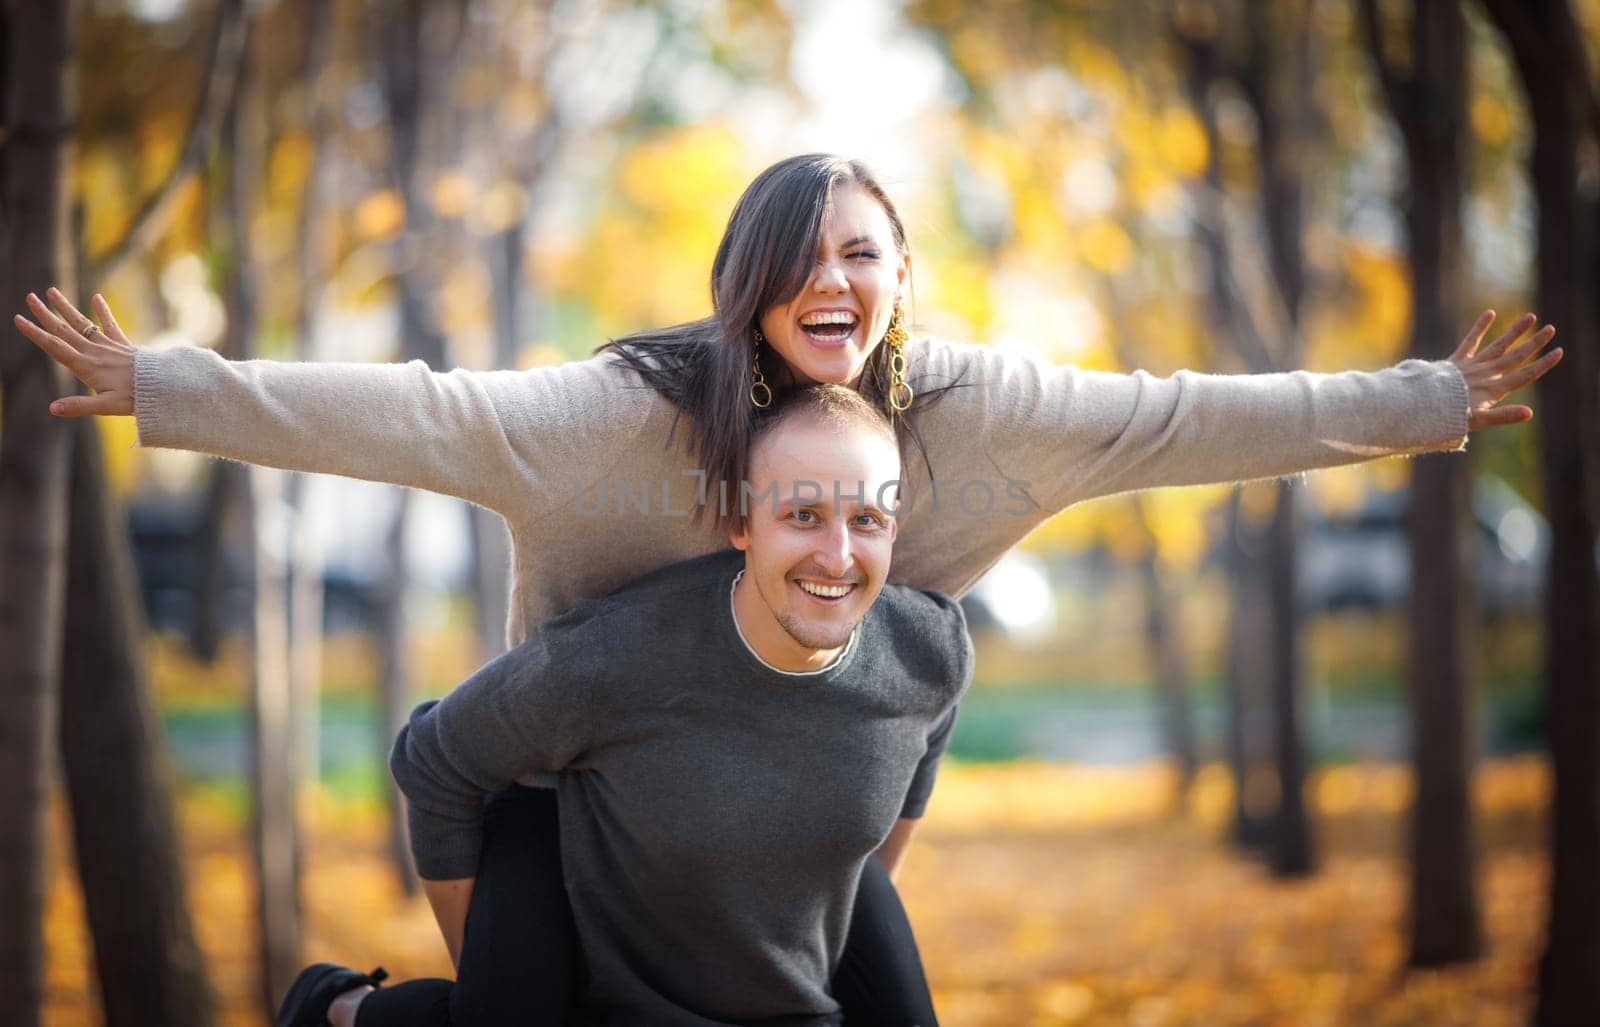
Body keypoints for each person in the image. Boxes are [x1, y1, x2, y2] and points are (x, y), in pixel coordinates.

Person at [13, 153, 1561, 1013]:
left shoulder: (984, 418)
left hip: (800, 785)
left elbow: (1190, 415)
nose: (836, 283)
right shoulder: (618, 417)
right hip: (578, 782)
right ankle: (335, 1012)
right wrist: (171, 384)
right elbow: (425, 411)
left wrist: (1427, 402)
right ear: (745, 280)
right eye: (802, 257)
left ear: (904, 277)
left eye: (867, 254)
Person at [277, 384, 973, 1026]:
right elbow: (435, 759)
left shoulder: (930, 650)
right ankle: (342, 1010)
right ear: (742, 520)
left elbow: (920, 749)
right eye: (802, 515)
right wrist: (485, 986)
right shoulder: (616, 657)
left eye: (867, 518)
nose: (837, 554)